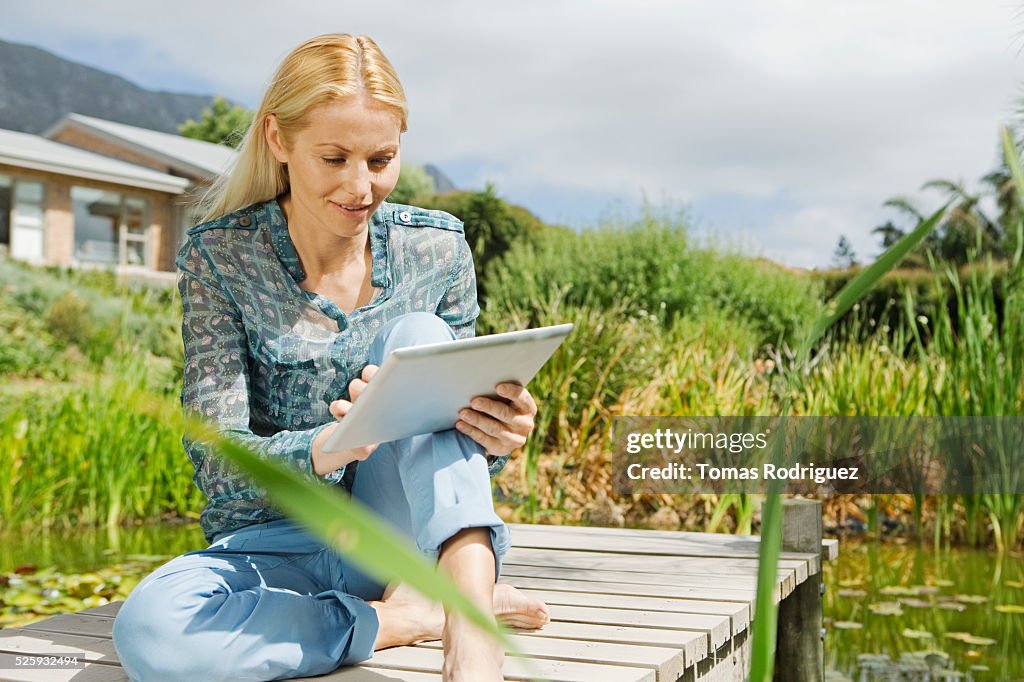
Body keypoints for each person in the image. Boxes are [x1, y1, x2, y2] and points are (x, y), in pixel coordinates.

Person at [111, 33, 550, 682]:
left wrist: (499, 432)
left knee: (423, 333)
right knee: (151, 634)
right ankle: (400, 619)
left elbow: (455, 453)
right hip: (276, 545)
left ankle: (470, 631)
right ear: (278, 141)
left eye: (381, 159)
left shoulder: (437, 251)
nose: (360, 185)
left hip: (401, 536)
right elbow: (215, 458)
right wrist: (332, 443)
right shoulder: (221, 258)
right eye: (334, 157)